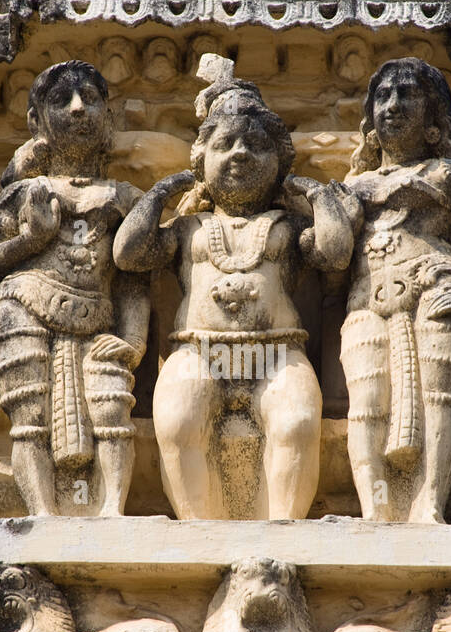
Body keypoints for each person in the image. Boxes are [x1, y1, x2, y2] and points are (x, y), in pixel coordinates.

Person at [114, 78, 355, 520]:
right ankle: (196, 527)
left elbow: (336, 251)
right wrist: (162, 193)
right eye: (225, 144)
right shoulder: (190, 229)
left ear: (279, 163)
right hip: (199, 351)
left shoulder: (287, 227)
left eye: (257, 145)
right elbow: (128, 255)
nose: (241, 153)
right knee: (178, 420)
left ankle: (285, 529)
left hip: (277, 352)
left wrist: (318, 193)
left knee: (298, 422)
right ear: (202, 160)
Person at [341, 58, 451, 523]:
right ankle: (376, 509)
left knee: (441, 399)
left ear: (434, 118)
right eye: (383, 95)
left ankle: (429, 503)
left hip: (439, 286)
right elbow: (329, 253)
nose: (392, 104)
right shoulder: (353, 186)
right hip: (370, 301)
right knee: (367, 401)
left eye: (407, 94)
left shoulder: (449, 174)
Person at [0, 60, 148, 516]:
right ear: (37, 122)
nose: (78, 109)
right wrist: (32, 240)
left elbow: (135, 276)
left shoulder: (123, 198)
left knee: (111, 409)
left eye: (90, 99)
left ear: (108, 118)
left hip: (98, 315)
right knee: (30, 416)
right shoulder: (23, 193)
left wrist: (134, 340)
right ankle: (41, 512)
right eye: (62, 101)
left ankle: (111, 508)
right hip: (24, 308)